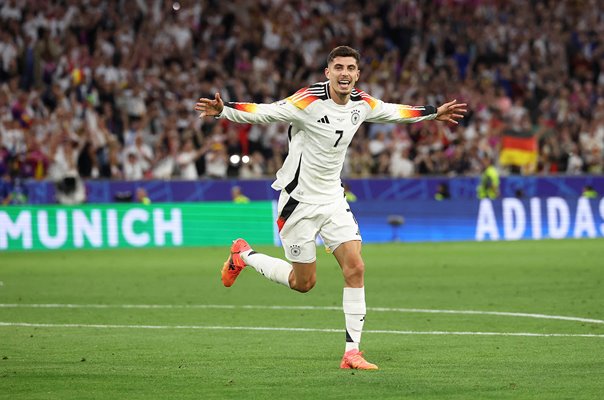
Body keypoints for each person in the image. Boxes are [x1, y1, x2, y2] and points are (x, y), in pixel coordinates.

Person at [195, 46, 466, 370]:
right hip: (298, 203)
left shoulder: (361, 103)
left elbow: (396, 111)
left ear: (357, 74)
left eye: (351, 68)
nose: (345, 73)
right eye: (338, 67)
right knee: (303, 283)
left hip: (333, 199)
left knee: (356, 268)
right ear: (328, 72)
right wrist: (225, 111)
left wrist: (434, 112)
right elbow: (265, 111)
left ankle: (352, 352)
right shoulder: (308, 100)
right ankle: (244, 255)